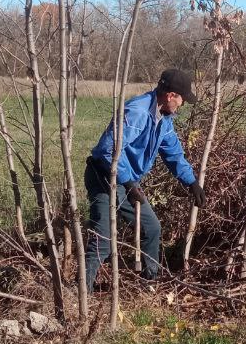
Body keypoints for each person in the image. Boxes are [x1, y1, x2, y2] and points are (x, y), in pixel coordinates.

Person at [83, 68, 205, 290]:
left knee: (152, 228)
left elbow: (174, 154)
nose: (182, 105)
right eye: (182, 99)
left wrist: (191, 182)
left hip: (126, 180)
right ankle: (82, 293)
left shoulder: (164, 119)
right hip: (103, 176)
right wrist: (129, 183)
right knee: (103, 240)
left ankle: (150, 284)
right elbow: (107, 150)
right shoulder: (138, 112)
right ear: (170, 96)